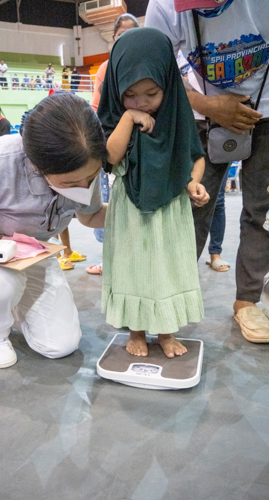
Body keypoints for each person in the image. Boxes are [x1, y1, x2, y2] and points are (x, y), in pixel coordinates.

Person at [0, 93, 108, 369]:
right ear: (37, 165)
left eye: (92, 176)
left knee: (60, 345)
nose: (84, 185)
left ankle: (12, 306)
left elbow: (90, 214)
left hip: (31, 253)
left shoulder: (83, 162)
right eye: (71, 182)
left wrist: (141, 213)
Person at [145, 0, 269, 343]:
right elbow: (158, 75)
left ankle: (248, 301)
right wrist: (206, 104)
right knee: (192, 210)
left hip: (266, 112)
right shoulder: (166, 6)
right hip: (203, 116)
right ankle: (173, 296)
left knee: (258, 211)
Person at [98, 28, 209, 358]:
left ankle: (166, 332)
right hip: (131, 210)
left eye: (151, 93)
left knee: (166, 268)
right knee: (134, 268)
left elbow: (195, 156)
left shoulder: (176, 116)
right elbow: (110, 156)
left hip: (170, 208)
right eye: (130, 94)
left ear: (168, 85)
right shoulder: (116, 116)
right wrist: (129, 117)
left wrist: (193, 182)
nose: (141, 101)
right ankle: (136, 331)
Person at [88, 13, 140, 275]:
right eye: (121, 35)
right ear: (114, 38)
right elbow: (97, 109)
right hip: (112, 145)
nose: (126, 39)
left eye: (132, 34)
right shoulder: (105, 69)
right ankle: (109, 259)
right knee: (109, 203)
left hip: (141, 147)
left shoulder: (146, 65)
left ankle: (134, 261)